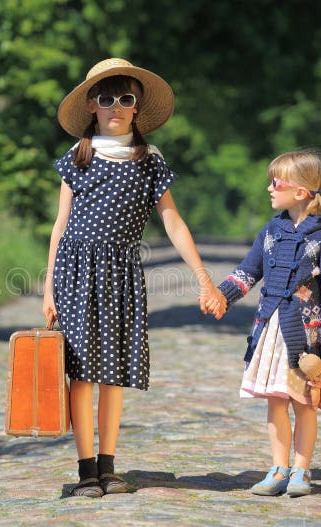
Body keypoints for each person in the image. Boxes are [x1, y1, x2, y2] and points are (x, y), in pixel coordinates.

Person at [42, 58, 226, 498]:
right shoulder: (78, 157)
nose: (116, 107)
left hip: (123, 275)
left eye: (126, 99)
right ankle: (86, 468)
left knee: (113, 373)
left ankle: (109, 466)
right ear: (92, 104)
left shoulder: (149, 160)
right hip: (77, 272)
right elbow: (60, 225)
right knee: (82, 373)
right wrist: (48, 287)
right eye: (107, 99)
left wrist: (203, 278)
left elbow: (173, 223)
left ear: (137, 107)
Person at [208, 149, 321, 498]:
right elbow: (248, 271)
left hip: (305, 337)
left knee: (303, 404)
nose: (269, 188)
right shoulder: (270, 231)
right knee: (275, 402)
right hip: (271, 329)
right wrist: (222, 296)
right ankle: (278, 468)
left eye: (276, 182)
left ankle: (301, 471)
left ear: (300, 192)